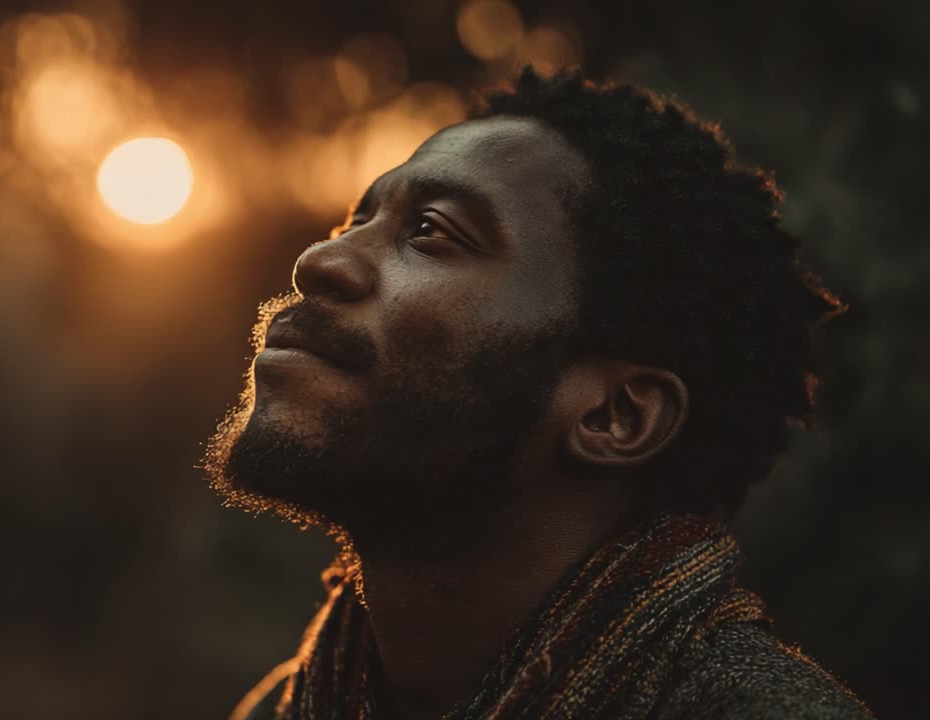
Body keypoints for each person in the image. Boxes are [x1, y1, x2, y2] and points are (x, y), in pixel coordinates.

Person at [204, 68, 873, 720]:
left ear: (617, 416)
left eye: (431, 230)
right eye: (357, 219)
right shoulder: (285, 706)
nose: (320, 260)